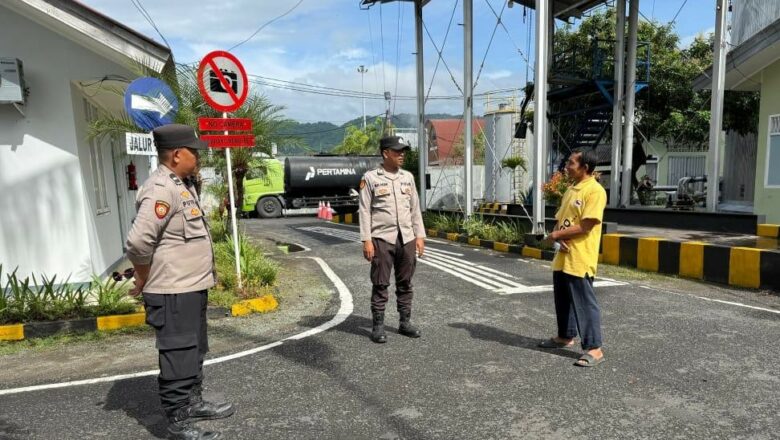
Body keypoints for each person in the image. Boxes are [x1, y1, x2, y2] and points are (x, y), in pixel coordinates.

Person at [126, 124, 234, 440]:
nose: (198, 156)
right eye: (193, 151)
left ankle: (193, 402)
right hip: (172, 290)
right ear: (176, 154)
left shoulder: (181, 184)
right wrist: (143, 275)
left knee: (194, 348)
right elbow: (137, 243)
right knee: (178, 354)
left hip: (190, 286)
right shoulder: (162, 188)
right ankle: (178, 422)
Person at [540, 149, 608, 367]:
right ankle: (565, 336)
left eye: (571, 163)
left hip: (580, 255)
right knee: (563, 297)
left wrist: (556, 235)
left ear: (584, 167)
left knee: (584, 302)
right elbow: (562, 219)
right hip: (564, 253)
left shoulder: (594, 191)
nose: (566, 166)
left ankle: (594, 348)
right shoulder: (571, 189)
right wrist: (558, 235)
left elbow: (588, 224)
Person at [359, 135, 426, 344]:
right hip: (381, 238)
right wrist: (366, 240)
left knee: (405, 282)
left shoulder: (408, 177)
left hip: (406, 238)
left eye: (403, 151)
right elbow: (364, 211)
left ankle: (405, 322)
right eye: (397, 151)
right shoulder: (371, 178)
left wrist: (420, 235)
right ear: (385, 153)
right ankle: (378, 326)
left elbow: (415, 208)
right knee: (380, 283)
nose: (401, 154)